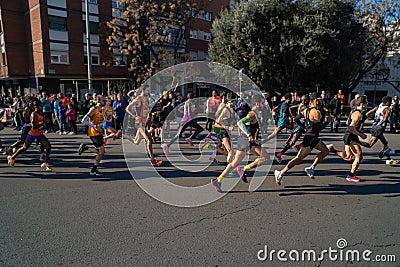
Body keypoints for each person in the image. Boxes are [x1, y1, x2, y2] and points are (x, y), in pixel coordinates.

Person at [211, 94, 268, 192]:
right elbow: (240, 123)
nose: (265, 104)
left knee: (234, 163)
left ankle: (218, 180)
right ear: (257, 103)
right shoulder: (252, 113)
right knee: (266, 158)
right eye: (263, 102)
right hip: (246, 140)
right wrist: (249, 135)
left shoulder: (255, 113)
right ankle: (245, 168)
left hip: (244, 140)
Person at [274, 92, 331, 185]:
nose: (321, 101)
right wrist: (327, 123)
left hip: (311, 137)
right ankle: (280, 173)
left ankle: (311, 168)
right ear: (314, 100)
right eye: (319, 99)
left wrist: (304, 126)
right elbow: (318, 128)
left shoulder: (306, 110)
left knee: (325, 151)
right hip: (310, 138)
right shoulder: (316, 112)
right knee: (298, 158)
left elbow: (296, 119)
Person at [327, 96, 368, 182]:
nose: (367, 104)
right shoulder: (358, 114)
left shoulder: (353, 111)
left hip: (348, 136)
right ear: (362, 104)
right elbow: (350, 128)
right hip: (350, 136)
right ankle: (351, 175)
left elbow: (347, 122)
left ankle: (332, 150)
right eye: (366, 103)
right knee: (359, 156)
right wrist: (361, 134)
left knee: (348, 157)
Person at [7, 100, 52, 171]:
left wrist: (45, 123)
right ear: (36, 107)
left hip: (39, 134)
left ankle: (45, 163)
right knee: (24, 147)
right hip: (32, 134)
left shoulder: (41, 113)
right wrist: (43, 123)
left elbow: (41, 124)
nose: (42, 107)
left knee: (48, 147)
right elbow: (34, 126)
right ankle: (12, 157)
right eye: (41, 106)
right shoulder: (34, 114)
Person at [78, 94, 107, 176]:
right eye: (103, 100)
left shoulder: (103, 109)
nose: (105, 101)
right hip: (93, 133)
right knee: (102, 151)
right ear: (98, 101)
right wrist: (95, 126)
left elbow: (102, 120)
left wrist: (102, 128)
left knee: (99, 152)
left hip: (99, 133)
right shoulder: (94, 109)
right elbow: (84, 120)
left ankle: (86, 148)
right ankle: (93, 169)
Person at [362, 96, 393, 161]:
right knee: (369, 145)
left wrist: (375, 119)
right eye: (390, 102)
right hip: (379, 129)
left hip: (374, 127)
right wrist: (389, 121)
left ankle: (388, 158)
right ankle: (355, 141)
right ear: (387, 102)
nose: (391, 103)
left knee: (385, 143)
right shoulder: (387, 109)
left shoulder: (379, 107)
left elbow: (367, 114)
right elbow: (385, 119)